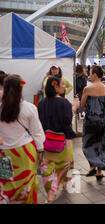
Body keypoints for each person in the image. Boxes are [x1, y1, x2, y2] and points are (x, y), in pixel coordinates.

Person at [0, 75, 46, 204]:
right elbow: (37, 133)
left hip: (4, 153)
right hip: (25, 153)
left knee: (6, 185)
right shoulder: (29, 108)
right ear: (21, 89)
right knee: (27, 186)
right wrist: (41, 154)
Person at [38, 76, 76, 203]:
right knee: (65, 165)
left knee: (48, 169)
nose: (65, 86)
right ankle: (65, 184)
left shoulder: (42, 103)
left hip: (47, 141)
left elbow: (41, 124)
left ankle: (50, 194)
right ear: (56, 87)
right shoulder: (65, 103)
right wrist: (74, 110)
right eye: (63, 84)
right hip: (63, 142)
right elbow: (67, 123)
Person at [80, 66, 105, 180]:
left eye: (90, 74)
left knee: (89, 143)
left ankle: (92, 166)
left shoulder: (87, 88)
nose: (89, 76)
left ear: (95, 75)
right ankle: (99, 171)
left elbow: (82, 104)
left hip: (92, 120)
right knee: (102, 144)